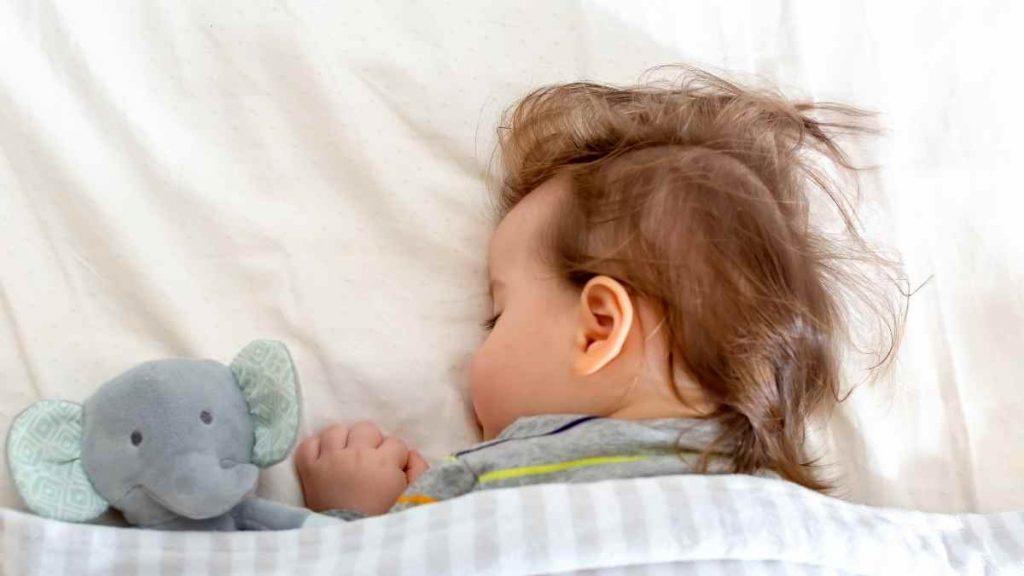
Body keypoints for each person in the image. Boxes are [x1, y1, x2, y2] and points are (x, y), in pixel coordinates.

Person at [293, 65, 907, 520]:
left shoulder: (487, 482)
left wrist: (361, 514)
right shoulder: (790, 507)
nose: (474, 355)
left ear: (597, 329)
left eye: (498, 315)